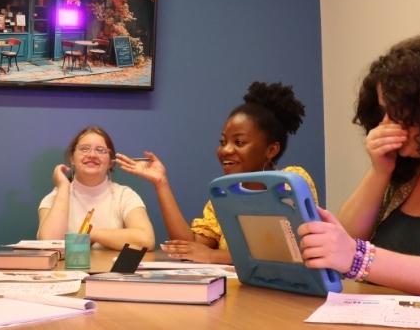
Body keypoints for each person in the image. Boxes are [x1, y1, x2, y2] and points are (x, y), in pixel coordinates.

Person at [297, 33, 420, 297]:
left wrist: (359, 259)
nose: (384, 124)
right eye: (383, 112)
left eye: (395, 113)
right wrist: (379, 172)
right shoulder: (407, 175)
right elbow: (347, 241)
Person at [116, 82, 317, 263]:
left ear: (271, 150)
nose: (225, 150)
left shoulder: (291, 182)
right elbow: (190, 246)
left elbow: (286, 253)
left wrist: (214, 256)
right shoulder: (225, 194)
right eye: (223, 142)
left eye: (239, 142)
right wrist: (161, 183)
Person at [38, 127, 155, 251]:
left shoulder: (125, 196)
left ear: (110, 162)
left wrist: (92, 234)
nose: (92, 155)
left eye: (100, 150)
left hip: (113, 270)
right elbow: (49, 244)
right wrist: (63, 187)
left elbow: (146, 240)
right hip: (65, 271)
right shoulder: (55, 197)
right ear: (72, 158)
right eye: (84, 149)